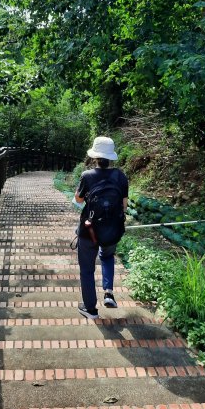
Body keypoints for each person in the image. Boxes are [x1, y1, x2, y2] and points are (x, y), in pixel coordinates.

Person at [74, 136, 128, 319]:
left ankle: (90, 309)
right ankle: (108, 293)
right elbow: (124, 206)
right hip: (112, 230)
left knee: (87, 268)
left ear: (95, 157)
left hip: (88, 231)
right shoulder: (120, 176)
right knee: (107, 256)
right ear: (111, 157)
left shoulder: (87, 176)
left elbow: (78, 200)